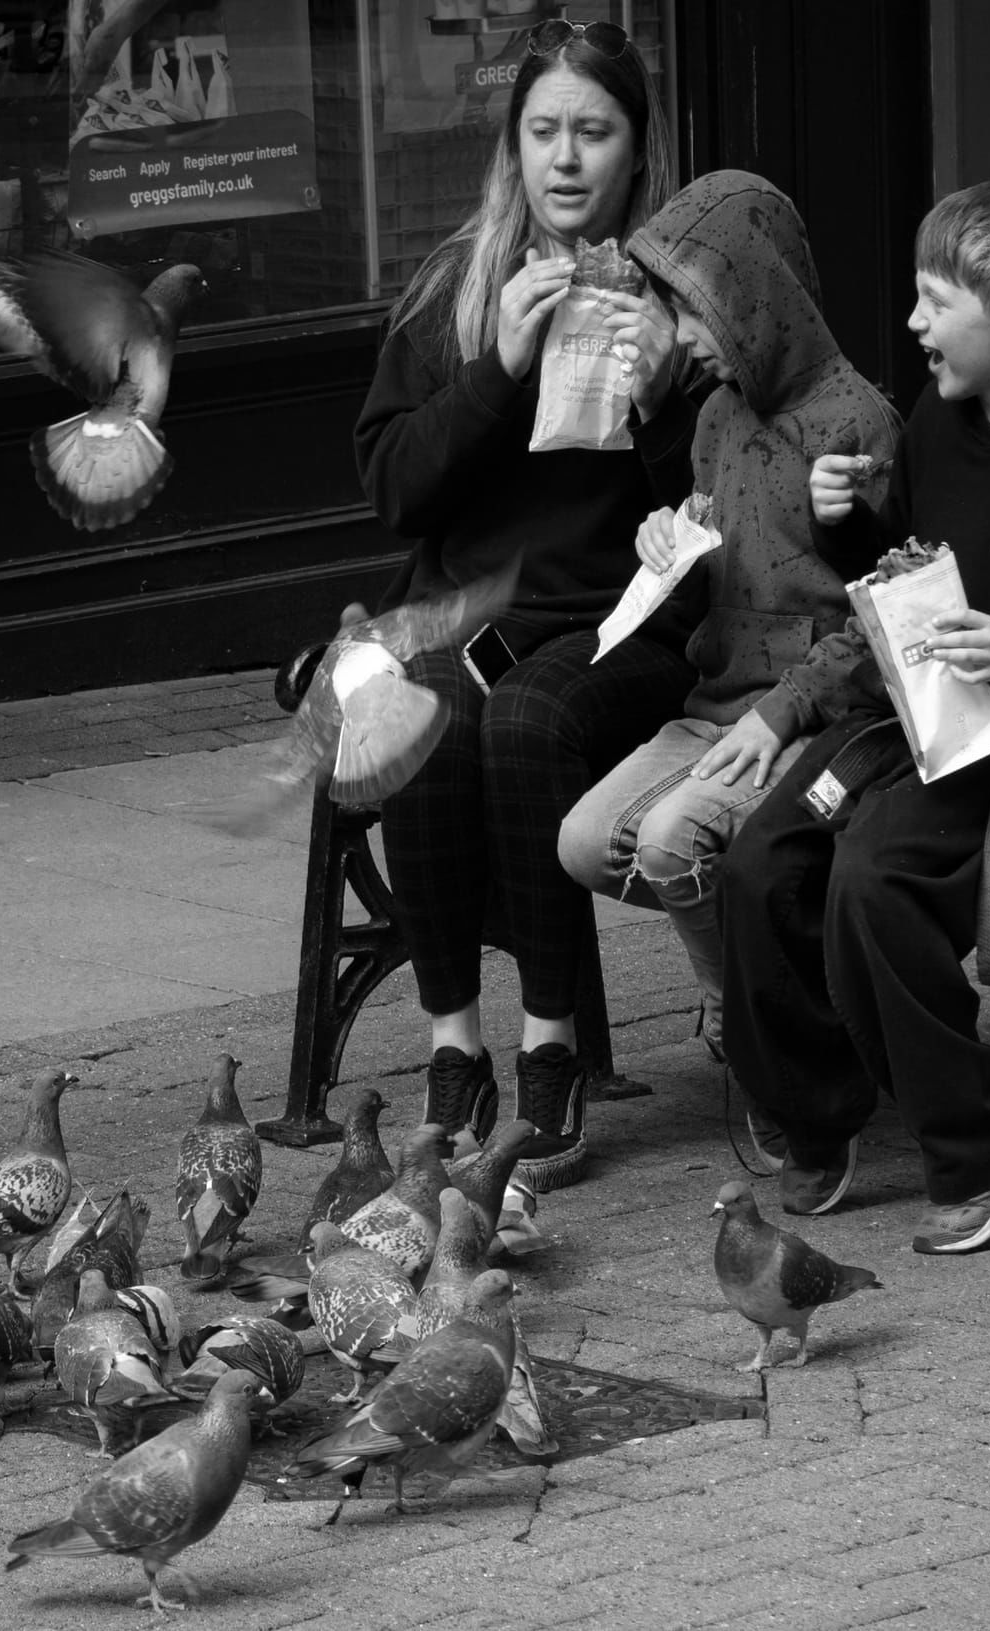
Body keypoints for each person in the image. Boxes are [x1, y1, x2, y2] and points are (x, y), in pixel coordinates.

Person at [716, 178, 990, 1240]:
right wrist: (844, 528)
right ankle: (816, 1115)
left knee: (871, 883)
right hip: (897, 718)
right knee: (757, 866)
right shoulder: (937, 420)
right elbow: (898, 571)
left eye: (933, 301)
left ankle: (980, 1126)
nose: (912, 323)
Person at [353, 16, 700, 1190]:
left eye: (591, 132)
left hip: (621, 627)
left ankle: (550, 1050)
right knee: (421, 713)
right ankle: (455, 1050)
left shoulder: (675, 292)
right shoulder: (459, 285)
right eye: (543, 130)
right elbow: (396, 490)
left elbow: (713, 525)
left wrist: (659, 397)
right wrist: (493, 367)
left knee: (525, 723)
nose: (565, 158)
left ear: (634, 149)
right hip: (471, 619)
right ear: (513, 146)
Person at [557, 169, 900, 1073]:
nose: (688, 338)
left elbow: (888, 613)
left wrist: (783, 711)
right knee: (585, 842)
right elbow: (720, 563)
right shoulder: (715, 418)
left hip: (815, 722)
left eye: (697, 311)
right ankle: (757, 990)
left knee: (674, 845)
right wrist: (669, 544)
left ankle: (765, 1037)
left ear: (755, 300)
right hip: (716, 707)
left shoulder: (859, 420)